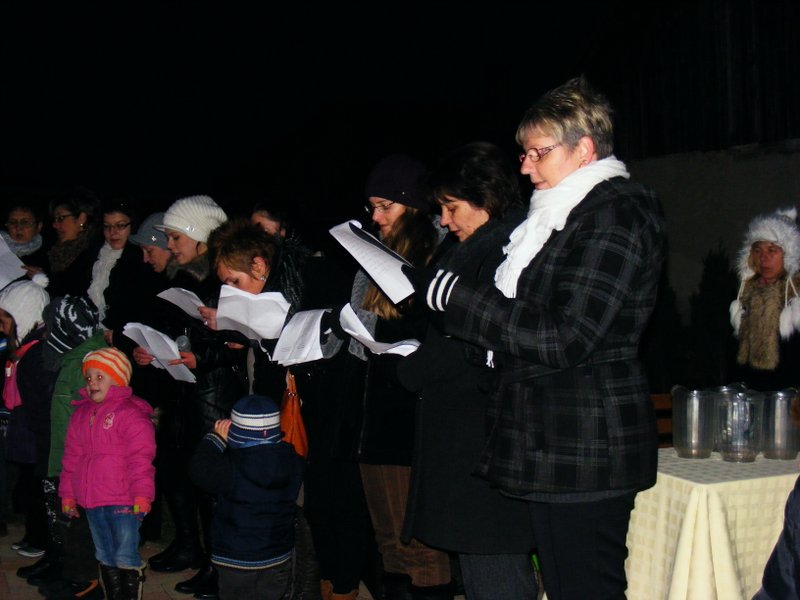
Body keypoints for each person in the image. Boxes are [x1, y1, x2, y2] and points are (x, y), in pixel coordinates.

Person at [404, 77, 666, 600]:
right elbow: (526, 321)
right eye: (523, 153)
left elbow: (568, 335)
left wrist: (460, 299)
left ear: (583, 149)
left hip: (586, 443)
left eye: (537, 153)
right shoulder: (556, 217)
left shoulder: (616, 212)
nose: (524, 167)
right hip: (550, 442)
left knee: (586, 588)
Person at [397, 142, 539, 600]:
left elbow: (473, 338)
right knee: (480, 563)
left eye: (452, 207)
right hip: (467, 435)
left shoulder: (507, 251)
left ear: (486, 198)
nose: (443, 220)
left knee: (493, 559)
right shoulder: (475, 247)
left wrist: (410, 367)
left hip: (486, 437)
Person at [318, 154, 451, 600]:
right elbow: (361, 331)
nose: (375, 217)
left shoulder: (437, 254)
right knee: (388, 541)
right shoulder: (373, 257)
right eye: (371, 207)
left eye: (385, 206)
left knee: (420, 545)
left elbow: (439, 335)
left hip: (413, 417)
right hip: (372, 414)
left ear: (413, 205)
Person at [136, 195, 244, 600]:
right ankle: (188, 545)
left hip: (213, 395)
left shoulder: (222, 279)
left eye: (175, 236)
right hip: (181, 390)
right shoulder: (178, 278)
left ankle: (217, 564)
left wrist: (202, 355)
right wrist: (152, 351)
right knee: (173, 468)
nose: (169, 244)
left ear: (200, 237)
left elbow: (237, 341)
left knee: (208, 480)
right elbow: (177, 334)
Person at [59, 347, 155, 600]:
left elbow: (141, 459)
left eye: (100, 377)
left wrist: (142, 495)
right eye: (89, 377)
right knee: (104, 553)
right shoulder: (81, 414)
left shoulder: (131, 414)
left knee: (124, 553)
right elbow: (71, 458)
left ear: (119, 379)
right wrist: (68, 494)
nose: (92, 383)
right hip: (92, 500)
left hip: (123, 500)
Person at [188, 393, 304, 600]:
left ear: (234, 433)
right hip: (277, 555)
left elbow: (198, 469)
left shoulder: (230, 466)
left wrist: (215, 439)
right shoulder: (294, 461)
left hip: (236, 558)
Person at [0, 275, 52, 561]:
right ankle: (34, 535)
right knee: (30, 485)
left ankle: (41, 539)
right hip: (27, 428)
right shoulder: (24, 350)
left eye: (5, 320)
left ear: (23, 317)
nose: (1, 327)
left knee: (38, 487)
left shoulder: (35, 355)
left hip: (36, 434)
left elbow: (40, 402)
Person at [729, 206, 800, 391]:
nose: (763, 258)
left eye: (772, 250)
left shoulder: (795, 299)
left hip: (788, 397)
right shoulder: (744, 298)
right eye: (758, 251)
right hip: (751, 396)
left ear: (788, 255)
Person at [43, 190, 103, 298]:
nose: (55, 225)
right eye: (55, 219)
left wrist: (43, 279)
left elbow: (74, 289)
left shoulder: (97, 254)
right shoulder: (53, 251)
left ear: (81, 218)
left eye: (60, 218)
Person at [2, 201, 48, 278]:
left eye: (25, 222)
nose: (18, 228)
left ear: (38, 226)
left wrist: (43, 279)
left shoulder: (49, 255)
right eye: (12, 222)